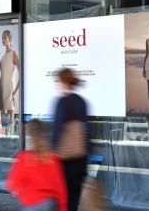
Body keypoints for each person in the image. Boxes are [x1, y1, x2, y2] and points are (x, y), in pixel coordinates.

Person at [6, 120, 67, 211]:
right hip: (50, 205)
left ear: (30, 137)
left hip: (31, 204)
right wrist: (63, 208)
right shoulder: (52, 158)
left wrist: (22, 193)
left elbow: (12, 184)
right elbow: (60, 187)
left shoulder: (24, 158)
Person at [53, 68, 89, 211]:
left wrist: (51, 151)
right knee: (74, 200)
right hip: (81, 158)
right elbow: (86, 132)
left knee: (63, 200)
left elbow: (57, 131)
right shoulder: (81, 101)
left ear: (64, 82)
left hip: (65, 161)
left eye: (58, 81)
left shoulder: (62, 102)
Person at [0, 30, 19, 134]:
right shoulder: (3, 55)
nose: (3, 40)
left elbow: (22, 72)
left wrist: (15, 92)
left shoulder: (14, 53)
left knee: (10, 125)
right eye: (2, 38)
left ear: (9, 39)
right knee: (4, 124)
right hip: (1, 89)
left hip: (10, 90)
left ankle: (11, 144)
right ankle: (3, 142)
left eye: (5, 38)